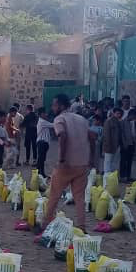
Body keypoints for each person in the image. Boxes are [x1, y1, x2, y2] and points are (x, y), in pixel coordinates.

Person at [42, 93, 96, 232]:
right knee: (79, 198)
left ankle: (45, 224)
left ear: (60, 105)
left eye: (54, 105)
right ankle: (82, 227)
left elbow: (63, 136)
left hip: (66, 164)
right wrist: (92, 157)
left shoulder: (59, 119)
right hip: (82, 163)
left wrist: (61, 159)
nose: (53, 107)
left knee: (54, 195)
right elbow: (92, 137)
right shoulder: (82, 119)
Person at [102, 106, 123, 175]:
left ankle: (112, 179)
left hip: (117, 146)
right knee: (107, 164)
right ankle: (106, 181)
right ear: (113, 113)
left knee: (114, 164)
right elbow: (106, 135)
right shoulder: (108, 122)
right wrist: (108, 146)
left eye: (120, 114)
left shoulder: (118, 122)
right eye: (117, 113)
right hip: (109, 146)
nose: (118, 115)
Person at [120, 108, 136, 181]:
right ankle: (122, 176)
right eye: (134, 116)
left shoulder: (130, 122)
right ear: (131, 115)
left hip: (131, 144)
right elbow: (122, 134)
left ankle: (128, 176)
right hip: (125, 145)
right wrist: (124, 144)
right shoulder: (123, 122)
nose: (134, 118)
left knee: (129, 161)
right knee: (123, 162)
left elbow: (131, 135)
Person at [35, 108, 54, 177]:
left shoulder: (43, 121)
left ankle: (41, 173)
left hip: (43, 143)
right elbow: (53, 125)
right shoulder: (42, 122)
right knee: (41, 159)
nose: (46, 114)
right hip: (42, 143)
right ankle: (37, 173)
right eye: (44, 113)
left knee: (42, 159)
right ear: (40, 114)